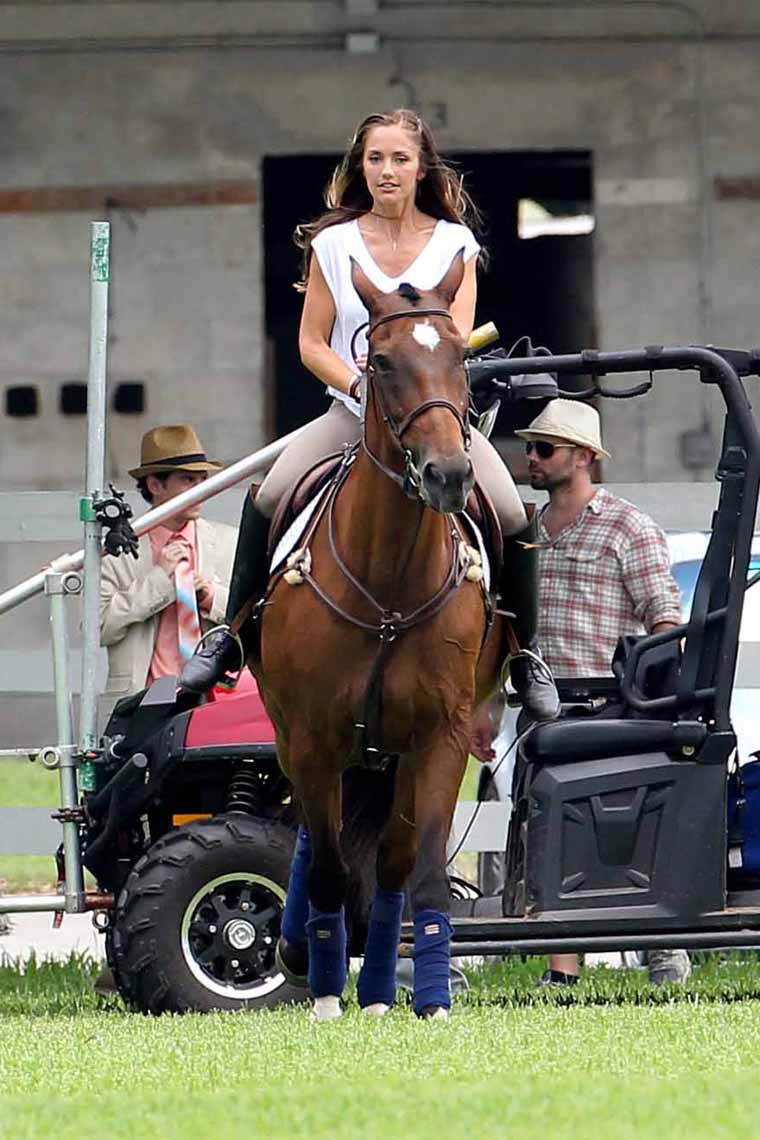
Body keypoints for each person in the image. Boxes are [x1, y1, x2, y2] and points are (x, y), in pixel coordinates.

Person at [180, 108, 559, 723]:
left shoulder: (456, 244)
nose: (387, 171)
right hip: (352, 408)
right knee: (270, 494)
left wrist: (413, 387)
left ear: (420, 168)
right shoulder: (333, 244)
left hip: (430, 413)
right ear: (362, 166)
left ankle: (525, 653)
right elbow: (311, 343)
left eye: (400, 159)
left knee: (511, 510)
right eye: (375, 159)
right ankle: (229, 634)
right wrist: (358, 384)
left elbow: (453, 340)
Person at [475, 398, 690, 986]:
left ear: (584, 458)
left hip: (610, 701)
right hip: (543, 703)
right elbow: (504, 632)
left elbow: (664, 622)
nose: (531, 459)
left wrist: (651, 701)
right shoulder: (522, 535)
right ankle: (563, 969)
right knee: (547, 832)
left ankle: (659, 946)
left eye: (545, 449)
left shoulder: (629, 526)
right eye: (530, 448)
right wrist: (487, 708)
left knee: (617, 832)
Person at [100, 424, 238, 697]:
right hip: (140, 700)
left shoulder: (228, 541)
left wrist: (209, 596)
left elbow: (255, 619)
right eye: (188, 480)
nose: (201, 490)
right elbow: (100, 627)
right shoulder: (118, 551)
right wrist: (160, 581)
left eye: (203, 480)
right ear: (155, 485)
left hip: (215, 698)